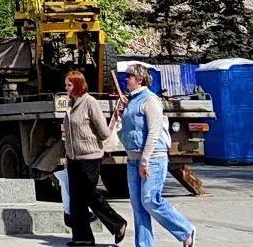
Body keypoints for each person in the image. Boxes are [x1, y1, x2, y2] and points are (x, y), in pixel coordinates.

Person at [119, 63, 196, 247]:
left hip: (153, 158)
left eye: (129, 76)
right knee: (138, 207)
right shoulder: (130, 102)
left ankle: (185, 230)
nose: (126, 80)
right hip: (133, 159)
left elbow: (154, 133)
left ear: (139, 79)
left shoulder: (150, 100)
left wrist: (145, 160)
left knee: (150, 200)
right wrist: (120, 115)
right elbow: (125, 133)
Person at [62, 70, 127, 246]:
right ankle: (82, 238)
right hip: (74, 157)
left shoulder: (90, 103)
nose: (66, 88)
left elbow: (104, 132)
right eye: (66, 85)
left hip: (90, 157)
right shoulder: (71, 103)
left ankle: (117, 223)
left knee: (88, 192)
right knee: (76, 197)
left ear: (77, 85)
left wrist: (86, 138)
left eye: (69, 85)